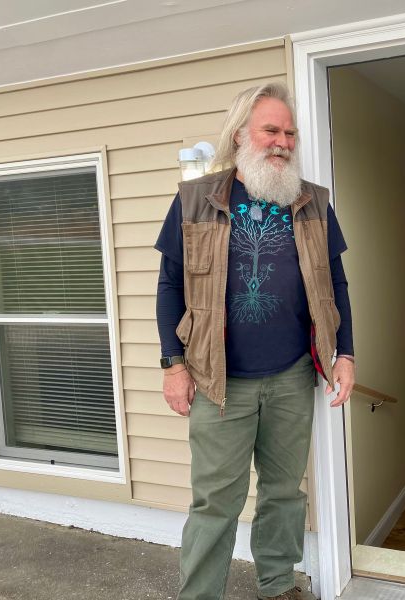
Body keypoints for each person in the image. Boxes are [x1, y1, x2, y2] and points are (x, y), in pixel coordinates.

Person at [155, 82, 354, 600]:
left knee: (284, 492)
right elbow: (170, 285)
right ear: (241, 134)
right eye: (271, 130)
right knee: (215, 503)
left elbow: (336, 283)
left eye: (290, 133)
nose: (282, 142)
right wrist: (173, 365)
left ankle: (277, 585)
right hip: (218, 381)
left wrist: (346, 353)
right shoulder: (196, 200)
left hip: (292, 375)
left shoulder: (313, 203)